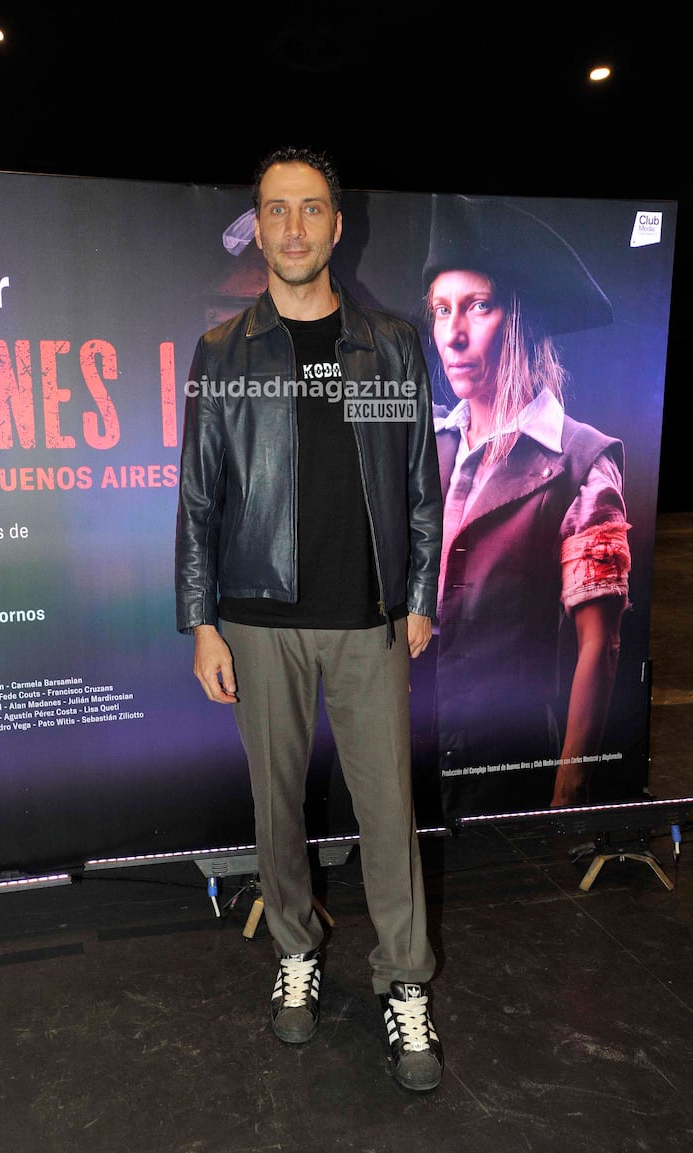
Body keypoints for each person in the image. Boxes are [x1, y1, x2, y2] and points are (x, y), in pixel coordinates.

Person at [175, 147, 445, 1091]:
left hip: (369, 621)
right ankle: (295, 949)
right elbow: (198, 498)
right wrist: (202, 622)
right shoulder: (223, 352)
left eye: (311, 208)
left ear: (336, 224)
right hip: (256, 621)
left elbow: (419, 481)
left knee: (388, 817)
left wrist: (418, 594)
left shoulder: (389, 344)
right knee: (276, 810)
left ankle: (404, 979)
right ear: (257, 227)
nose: (293, 227)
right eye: (276, 210)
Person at [422, 195, 632, 819]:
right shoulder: (425, 442)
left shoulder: (582, 462)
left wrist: (569, 788)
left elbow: (601, 645)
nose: (453, 334)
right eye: (441, 310)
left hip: (505, 763)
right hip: (403, 759)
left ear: (522, 318)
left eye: (478, 306)